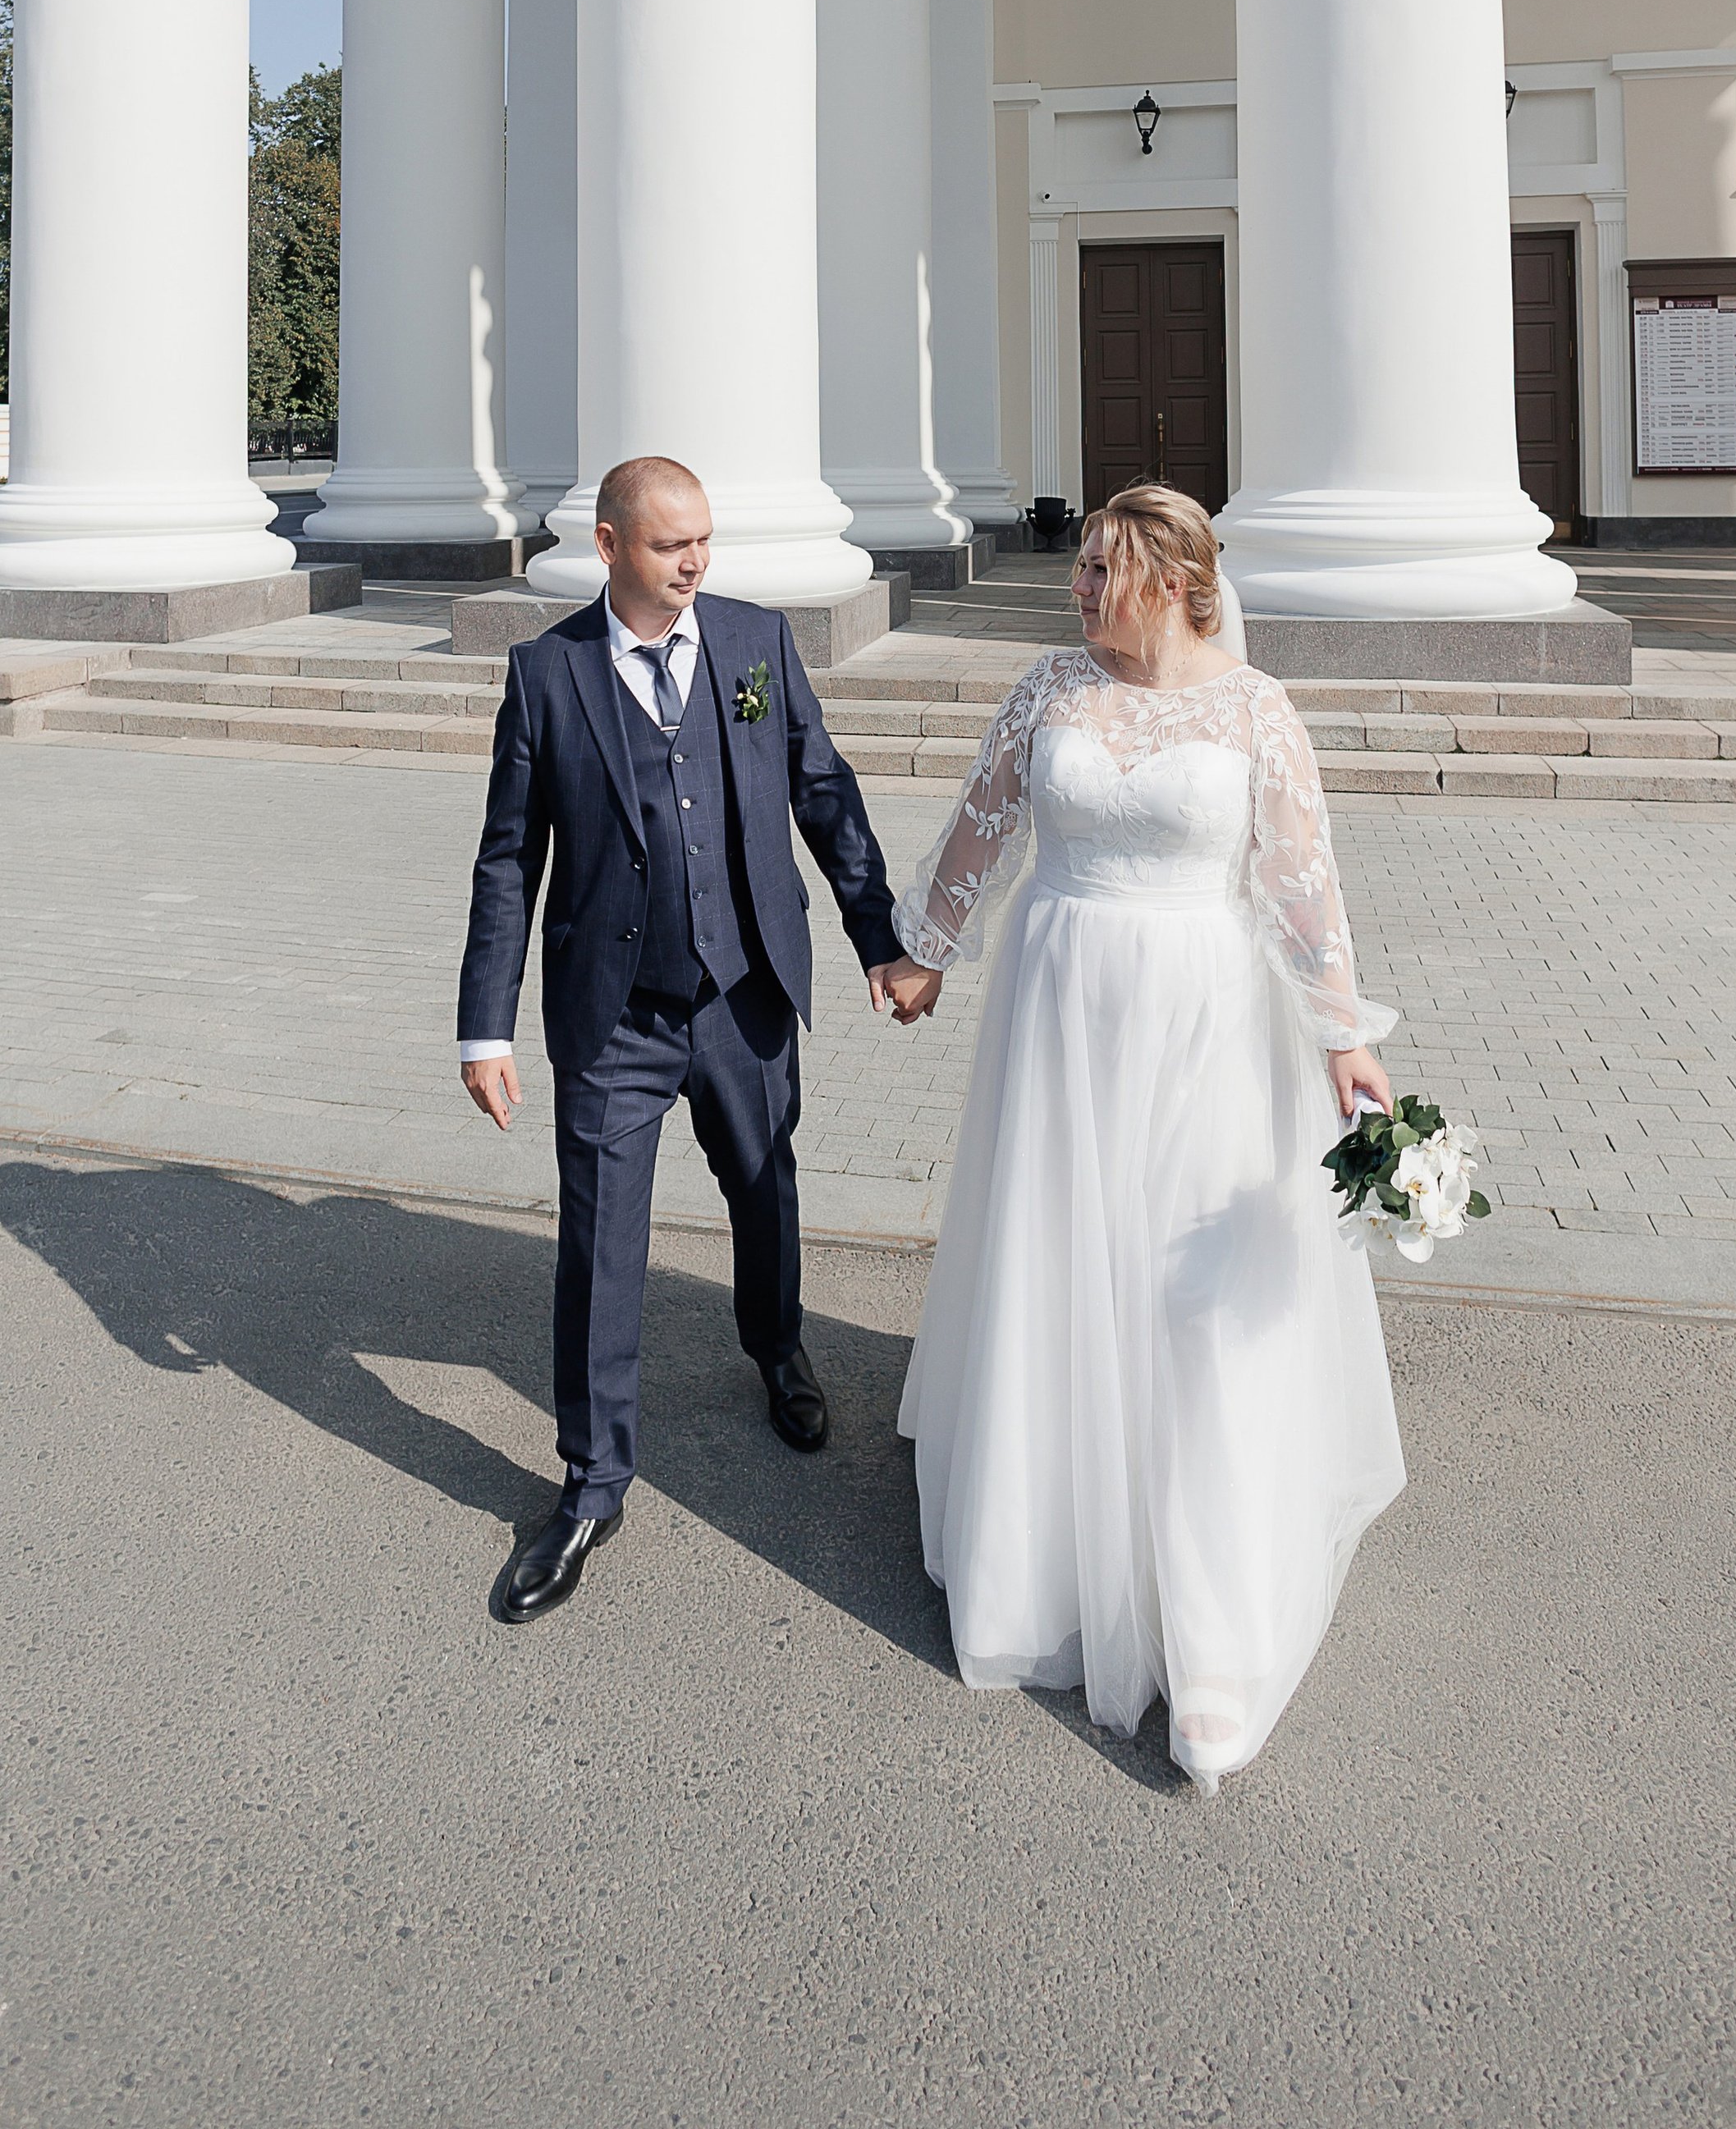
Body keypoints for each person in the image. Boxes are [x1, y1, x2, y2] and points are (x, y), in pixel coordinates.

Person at [878, 484, 1406, 1790]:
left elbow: (1300, 879)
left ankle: (1211, 1639)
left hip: (1204, 1030)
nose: (1082, 586)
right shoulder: (1049, 687)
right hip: (1058, 1014)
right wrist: (927, 950)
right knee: (1062, 1272)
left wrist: (1344, 1033)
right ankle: (1045, 1557)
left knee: (1190, 1303)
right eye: (1082, 566)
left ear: (1175, 580)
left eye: (1105, 568)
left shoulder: (1252, 707)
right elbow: (983, 822)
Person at [456, 456, 924, 1625]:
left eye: (705, 540)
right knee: (601, 1239)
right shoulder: (548, 673)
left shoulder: (757, 643)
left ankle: (776, 1347)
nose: (697, 560)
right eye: (672, 545)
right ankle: (592, 1481)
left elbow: (824, 789)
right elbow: (509, 859)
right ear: (609, 545)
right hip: (613, 1010)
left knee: (765, 1187)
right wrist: (484, 1022)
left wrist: (880, 936)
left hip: (744, 986)